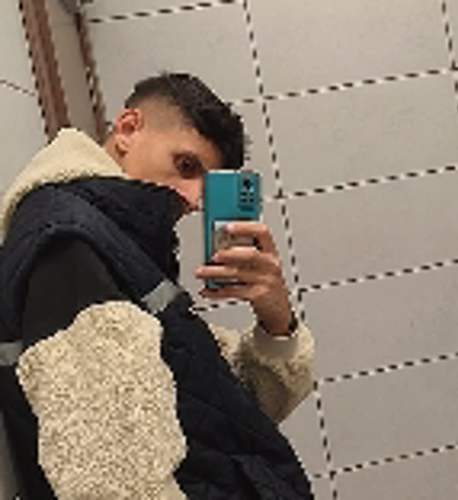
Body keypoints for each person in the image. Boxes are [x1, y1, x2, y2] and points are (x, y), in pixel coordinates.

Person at [0, 72, 315, 499]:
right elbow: (114, 485)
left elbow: (217, 406)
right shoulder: (70, 245)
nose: (192, 198)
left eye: (205, 186)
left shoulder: (116, 236)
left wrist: (277, 320)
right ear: (128, 128)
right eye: (186, 166)